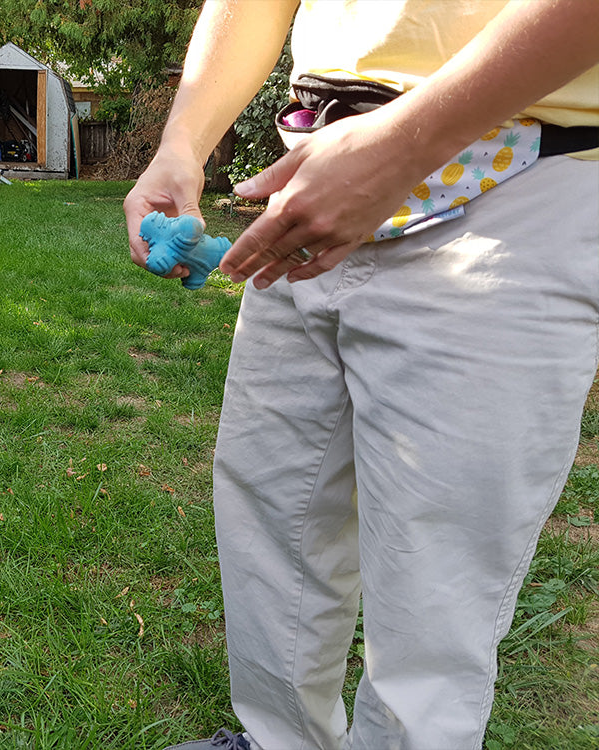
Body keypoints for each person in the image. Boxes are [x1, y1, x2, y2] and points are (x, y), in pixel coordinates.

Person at [123, 1, 599, 748]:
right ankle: (279, 739)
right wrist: (182, 142)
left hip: (520, 179)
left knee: (434, 579)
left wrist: (404, 146)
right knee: (272, 512)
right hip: (314, 175)